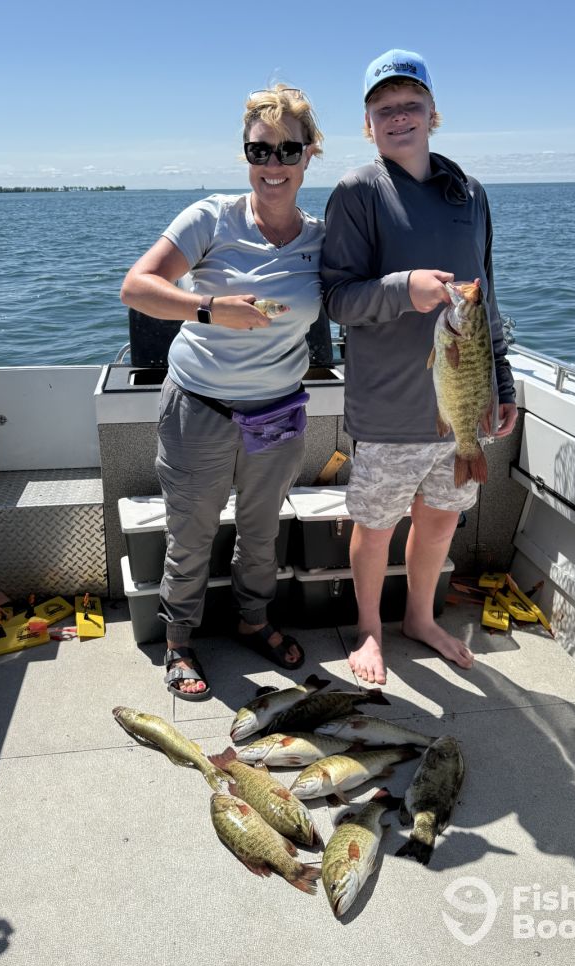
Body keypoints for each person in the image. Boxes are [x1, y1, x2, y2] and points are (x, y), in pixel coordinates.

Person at [321, 48, 518, 686]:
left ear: (434, 113)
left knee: (439, 522)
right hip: (387, 406)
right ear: (368, 123)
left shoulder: (470, 193)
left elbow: (486, 293)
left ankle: (420, 617)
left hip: (462, 404)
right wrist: (404, 288)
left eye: (411, 105)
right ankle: (369, 628)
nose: (399, 117)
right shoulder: (357, 192)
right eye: (384, 109)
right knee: (376, 525)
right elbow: (337, 299)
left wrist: (502, 379)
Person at [120, 85, 324, 700]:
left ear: (310, 155)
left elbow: (368, 294)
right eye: (260, 151)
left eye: (288, 150)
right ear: (246, 155)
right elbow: (137, 286)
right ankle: (180, 638)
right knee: (191, 533)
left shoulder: (323, 238)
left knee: (262, 533)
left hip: (278, 413)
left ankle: (252, 619)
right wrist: (209, 307)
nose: (273, 164)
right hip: (199, 408)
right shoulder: (211, 218)